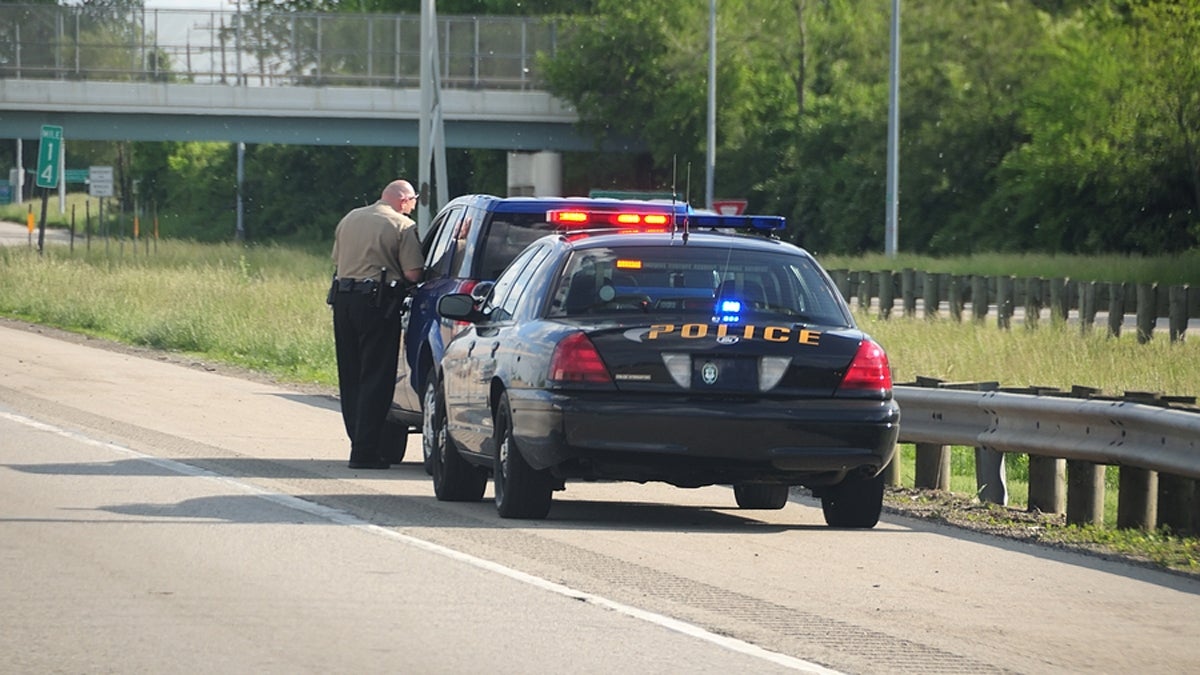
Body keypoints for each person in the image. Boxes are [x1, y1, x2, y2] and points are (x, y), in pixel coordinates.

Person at [330, 179, 424, 469]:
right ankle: (364, 450)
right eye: (413, 202)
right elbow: (412, 274)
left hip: (343, 301)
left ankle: (357, 439)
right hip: (377, 304)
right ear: (404, 200)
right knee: (376, 375)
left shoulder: (350, 218)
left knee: (352, 374)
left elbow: (338, 259)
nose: (413, 207)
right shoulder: (402, 226)